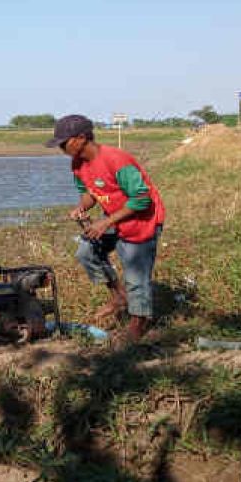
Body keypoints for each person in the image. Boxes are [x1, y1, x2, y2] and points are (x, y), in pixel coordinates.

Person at [46, 114, 165, 342]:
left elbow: (142, 199)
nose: (61, 148)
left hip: (142, 220)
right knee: (86, 251)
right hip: (115, 217)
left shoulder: (117, 160)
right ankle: (119, 296)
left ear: (81, 138)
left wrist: (106, 222)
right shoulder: (77, 163)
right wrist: (81, 207)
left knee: (135, 271)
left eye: (64, 142)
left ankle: (138, 323)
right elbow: (89, 193)